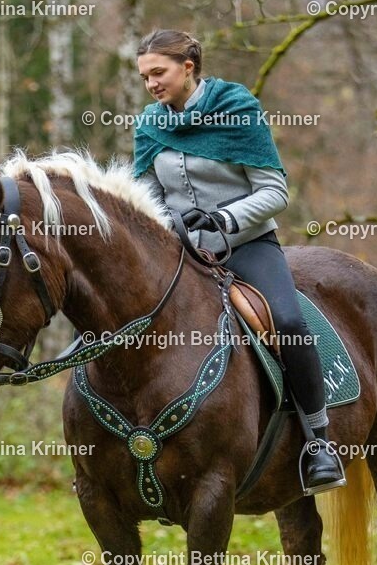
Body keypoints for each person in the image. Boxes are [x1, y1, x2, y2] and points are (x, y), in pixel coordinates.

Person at [133, 28, 345, 494]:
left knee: (287, 320)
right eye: (145, 76)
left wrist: (222, 219)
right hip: (179, 252)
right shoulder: (150, 122)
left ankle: (319, 441)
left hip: (246, 246)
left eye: (159, 73)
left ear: (188, 66)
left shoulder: (237, 109)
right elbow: (144, 196)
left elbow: (275, 193)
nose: (151, 85)